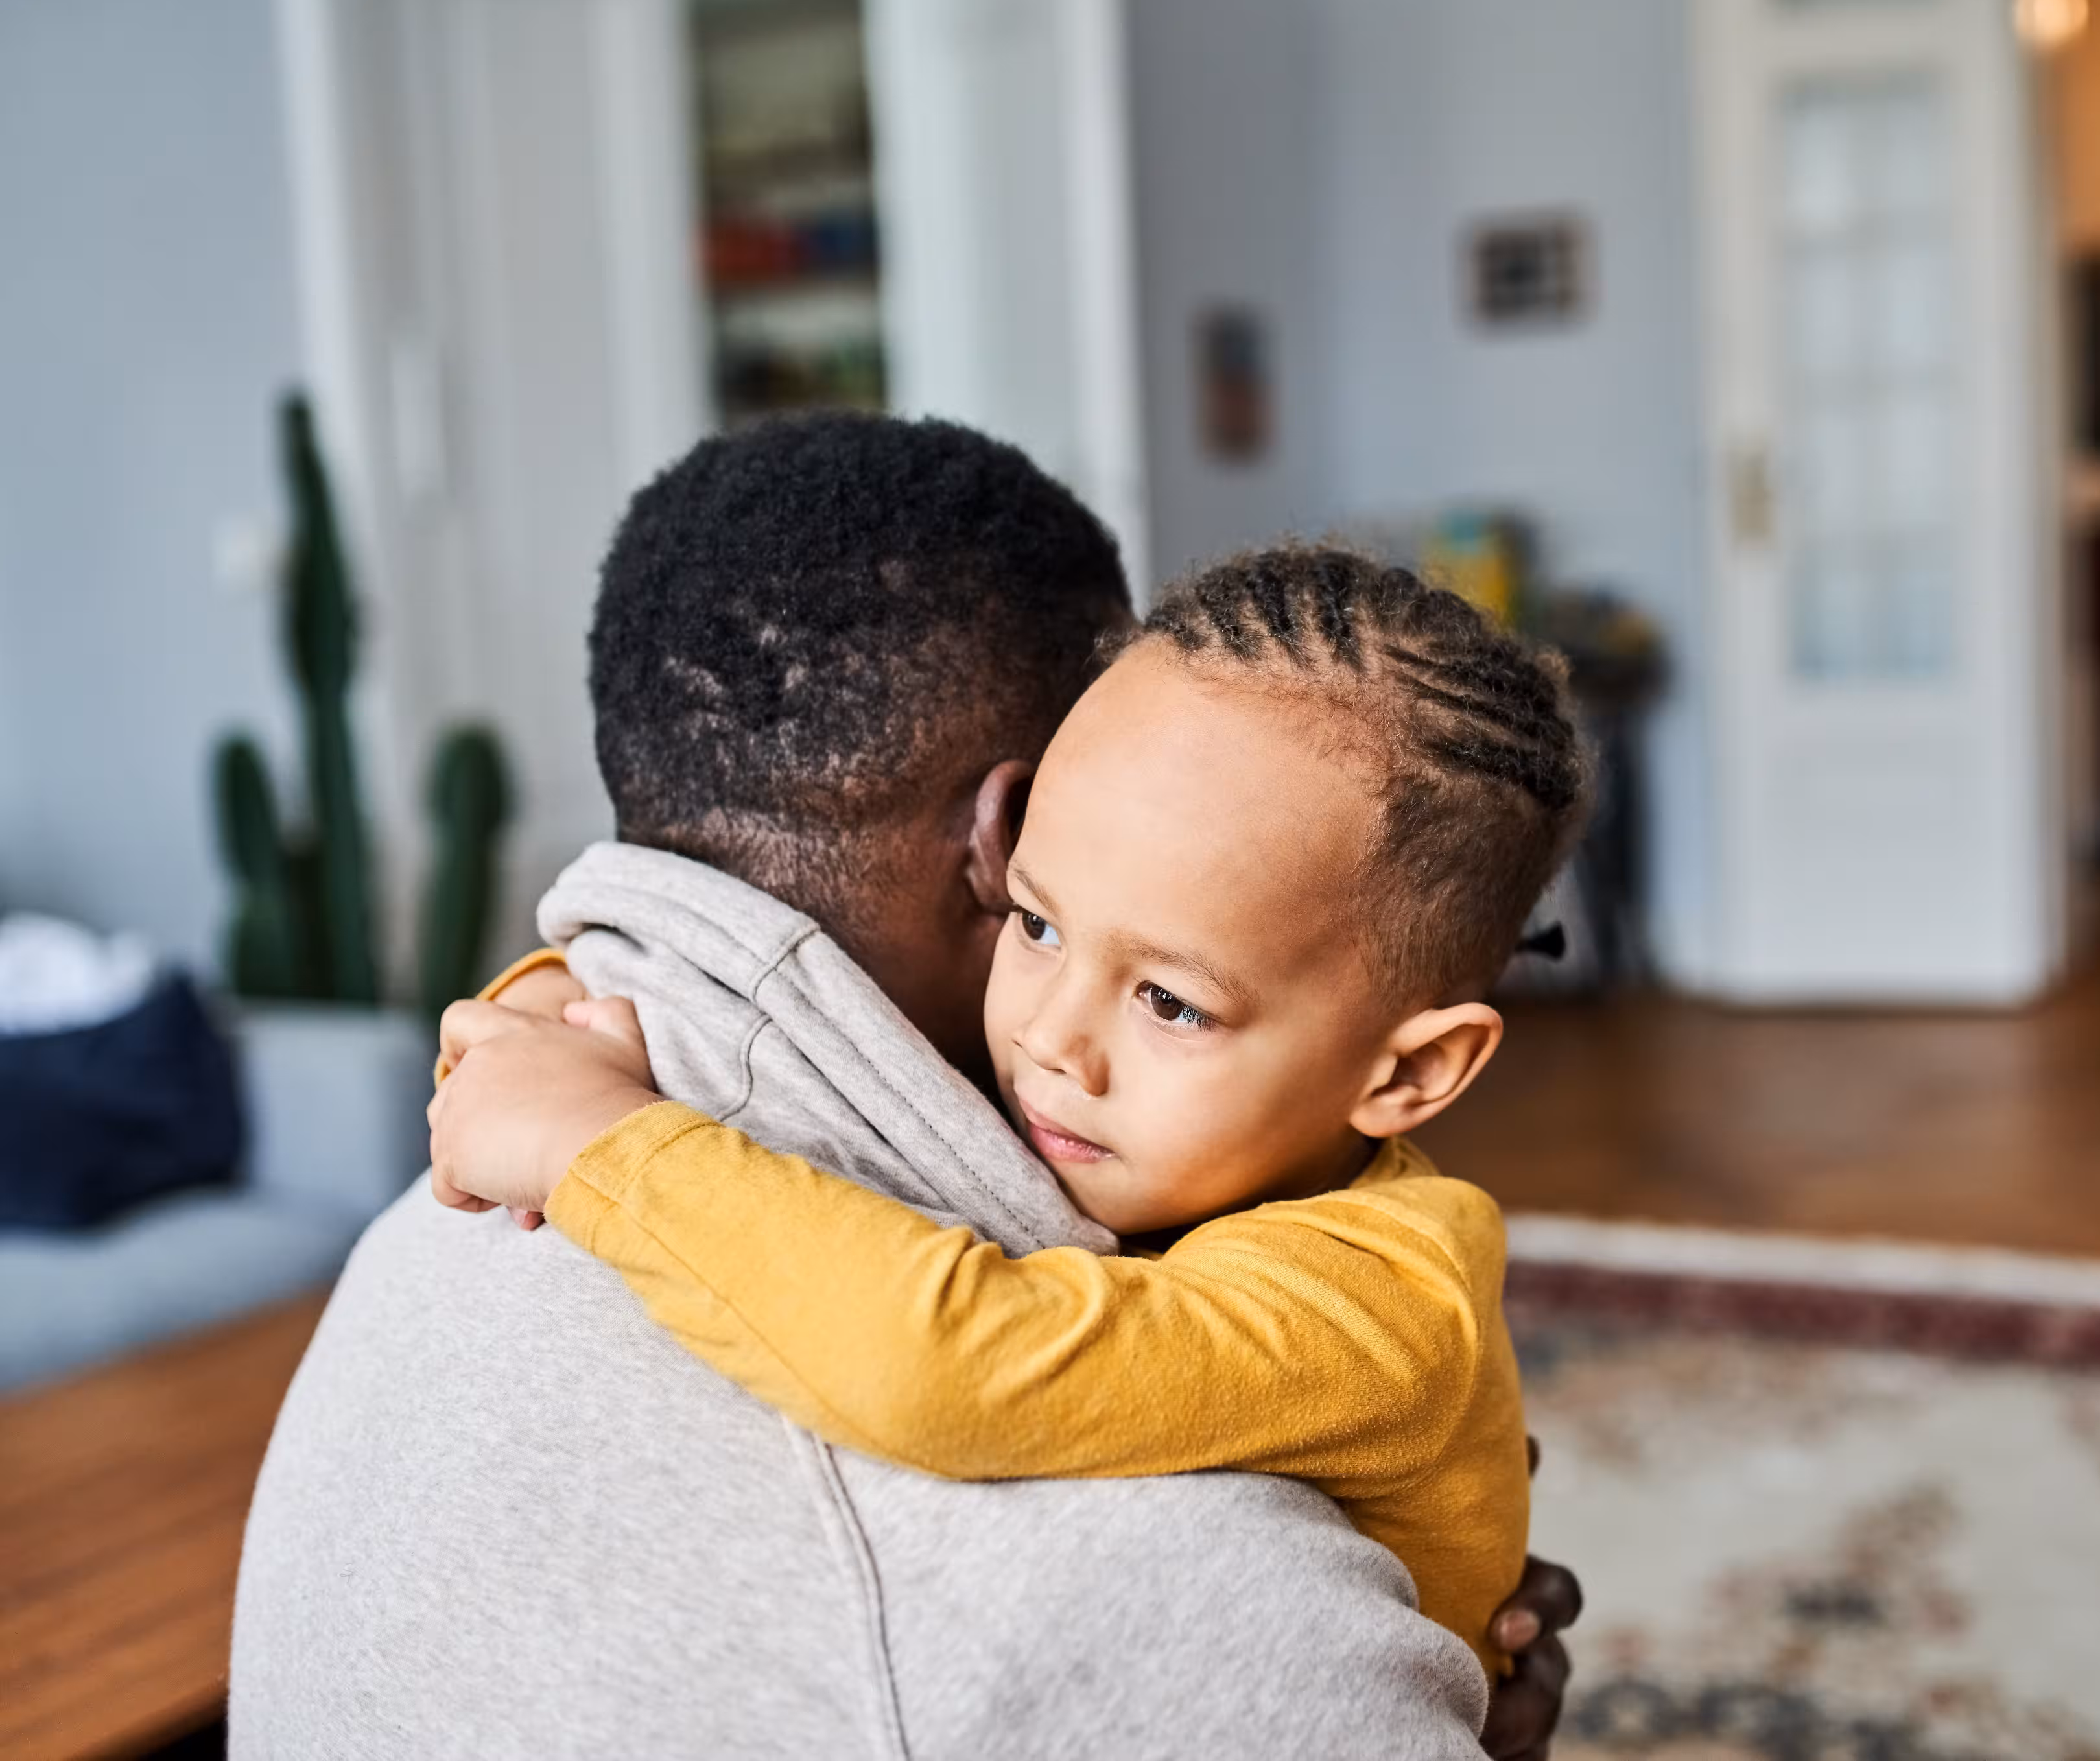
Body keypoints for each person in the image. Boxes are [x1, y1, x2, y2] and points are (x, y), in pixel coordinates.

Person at [230, 414, 1577, 1760]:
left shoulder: (416, 1245)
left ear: (1411, 1071)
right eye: (1043, 925)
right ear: (1009, 841)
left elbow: (955, 1357)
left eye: (1171, 999)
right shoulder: (1158, 1176)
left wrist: (595, 1131)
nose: (1055, 1041)